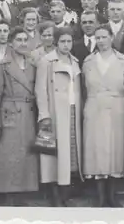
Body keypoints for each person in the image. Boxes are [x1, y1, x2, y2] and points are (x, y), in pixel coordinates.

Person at [0, 28, 39, 204]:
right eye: (19, 40)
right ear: (10, 43)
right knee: (9, 155)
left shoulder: (33, 65)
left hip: (29, 114)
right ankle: (9, 196)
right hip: (9, 113)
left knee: (27, 156)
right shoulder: (1, 66)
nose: (23, 43)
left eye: (25, 39)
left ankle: (25, 194)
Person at [82, 25, 124, 207]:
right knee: (97, 150)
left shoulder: (123, 60)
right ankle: (101, 197)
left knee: (115, 149)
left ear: (111, 38)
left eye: (104, 37)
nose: (101, 41)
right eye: (98, 37)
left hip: (117, 107)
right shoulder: (88, 61)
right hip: (94, 107)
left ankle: (112, 195)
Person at [35, 26, 84, 207]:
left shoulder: (75, 61)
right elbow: (40, 90)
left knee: (69, 152)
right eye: (62, 41)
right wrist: (44, 115)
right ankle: (55, 195)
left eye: (69, 41)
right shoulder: (47, 61)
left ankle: (65, 192)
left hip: (72, 109)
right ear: (56, 42)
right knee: (54, 154)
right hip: (55, 111)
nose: (66, 45)